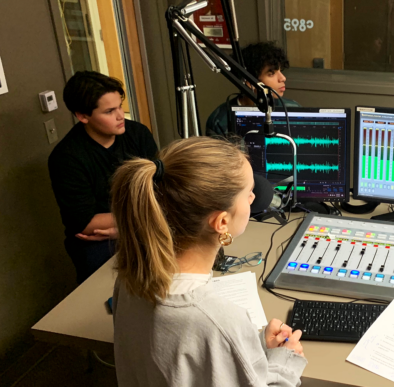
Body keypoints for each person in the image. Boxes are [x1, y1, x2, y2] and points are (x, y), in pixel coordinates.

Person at [111, 137, 307, 386]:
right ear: (222, 223)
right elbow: (212, 339)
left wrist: (252, 347)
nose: (253, 197)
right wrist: (284, 362)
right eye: (248, 193)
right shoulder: (219, 321)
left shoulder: (130, 279)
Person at [49, 71, 158, 283]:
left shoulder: (138, 134)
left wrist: (126, 227)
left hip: (139, 224)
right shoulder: (66, 158)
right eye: (109, 111)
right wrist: (142, 219)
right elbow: (85, 223)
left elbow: (162, 190)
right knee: (106, 295)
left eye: (120, 106)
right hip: (98, 242)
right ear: (83, 116)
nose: (120, 116)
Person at [206, 41, 301, 138]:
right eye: (271, 73)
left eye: (280, 71)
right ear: (249, 82)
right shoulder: (220, 120)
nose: (283, 78)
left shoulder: (293, 109)